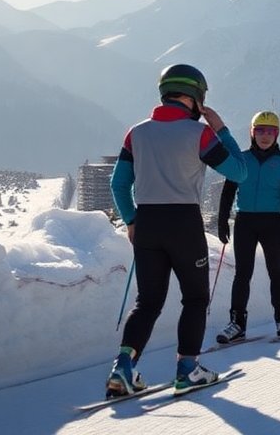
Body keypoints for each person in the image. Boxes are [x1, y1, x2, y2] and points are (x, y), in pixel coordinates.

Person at [106, 64, 240, 398]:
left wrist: (132, 221)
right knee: (195, 298)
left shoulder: (135, 133)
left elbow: (119, 184)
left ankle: (123, 368)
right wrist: (221, 129)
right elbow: (240, 171)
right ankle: (187, 369)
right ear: (195, 96)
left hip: (148, 222)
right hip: (183, 223)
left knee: (148, 301)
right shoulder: (200, 134)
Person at [214, 110, 280, 344]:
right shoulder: (241, 159)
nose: (265, 136)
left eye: (270, 131)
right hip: (245, 221)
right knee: (242, 273)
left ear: (277, 134)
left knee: (276, 270)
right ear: (252, 133)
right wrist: (222, 221)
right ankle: (237, 323)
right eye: (260, 131)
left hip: (271, 222)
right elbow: (228, 192)